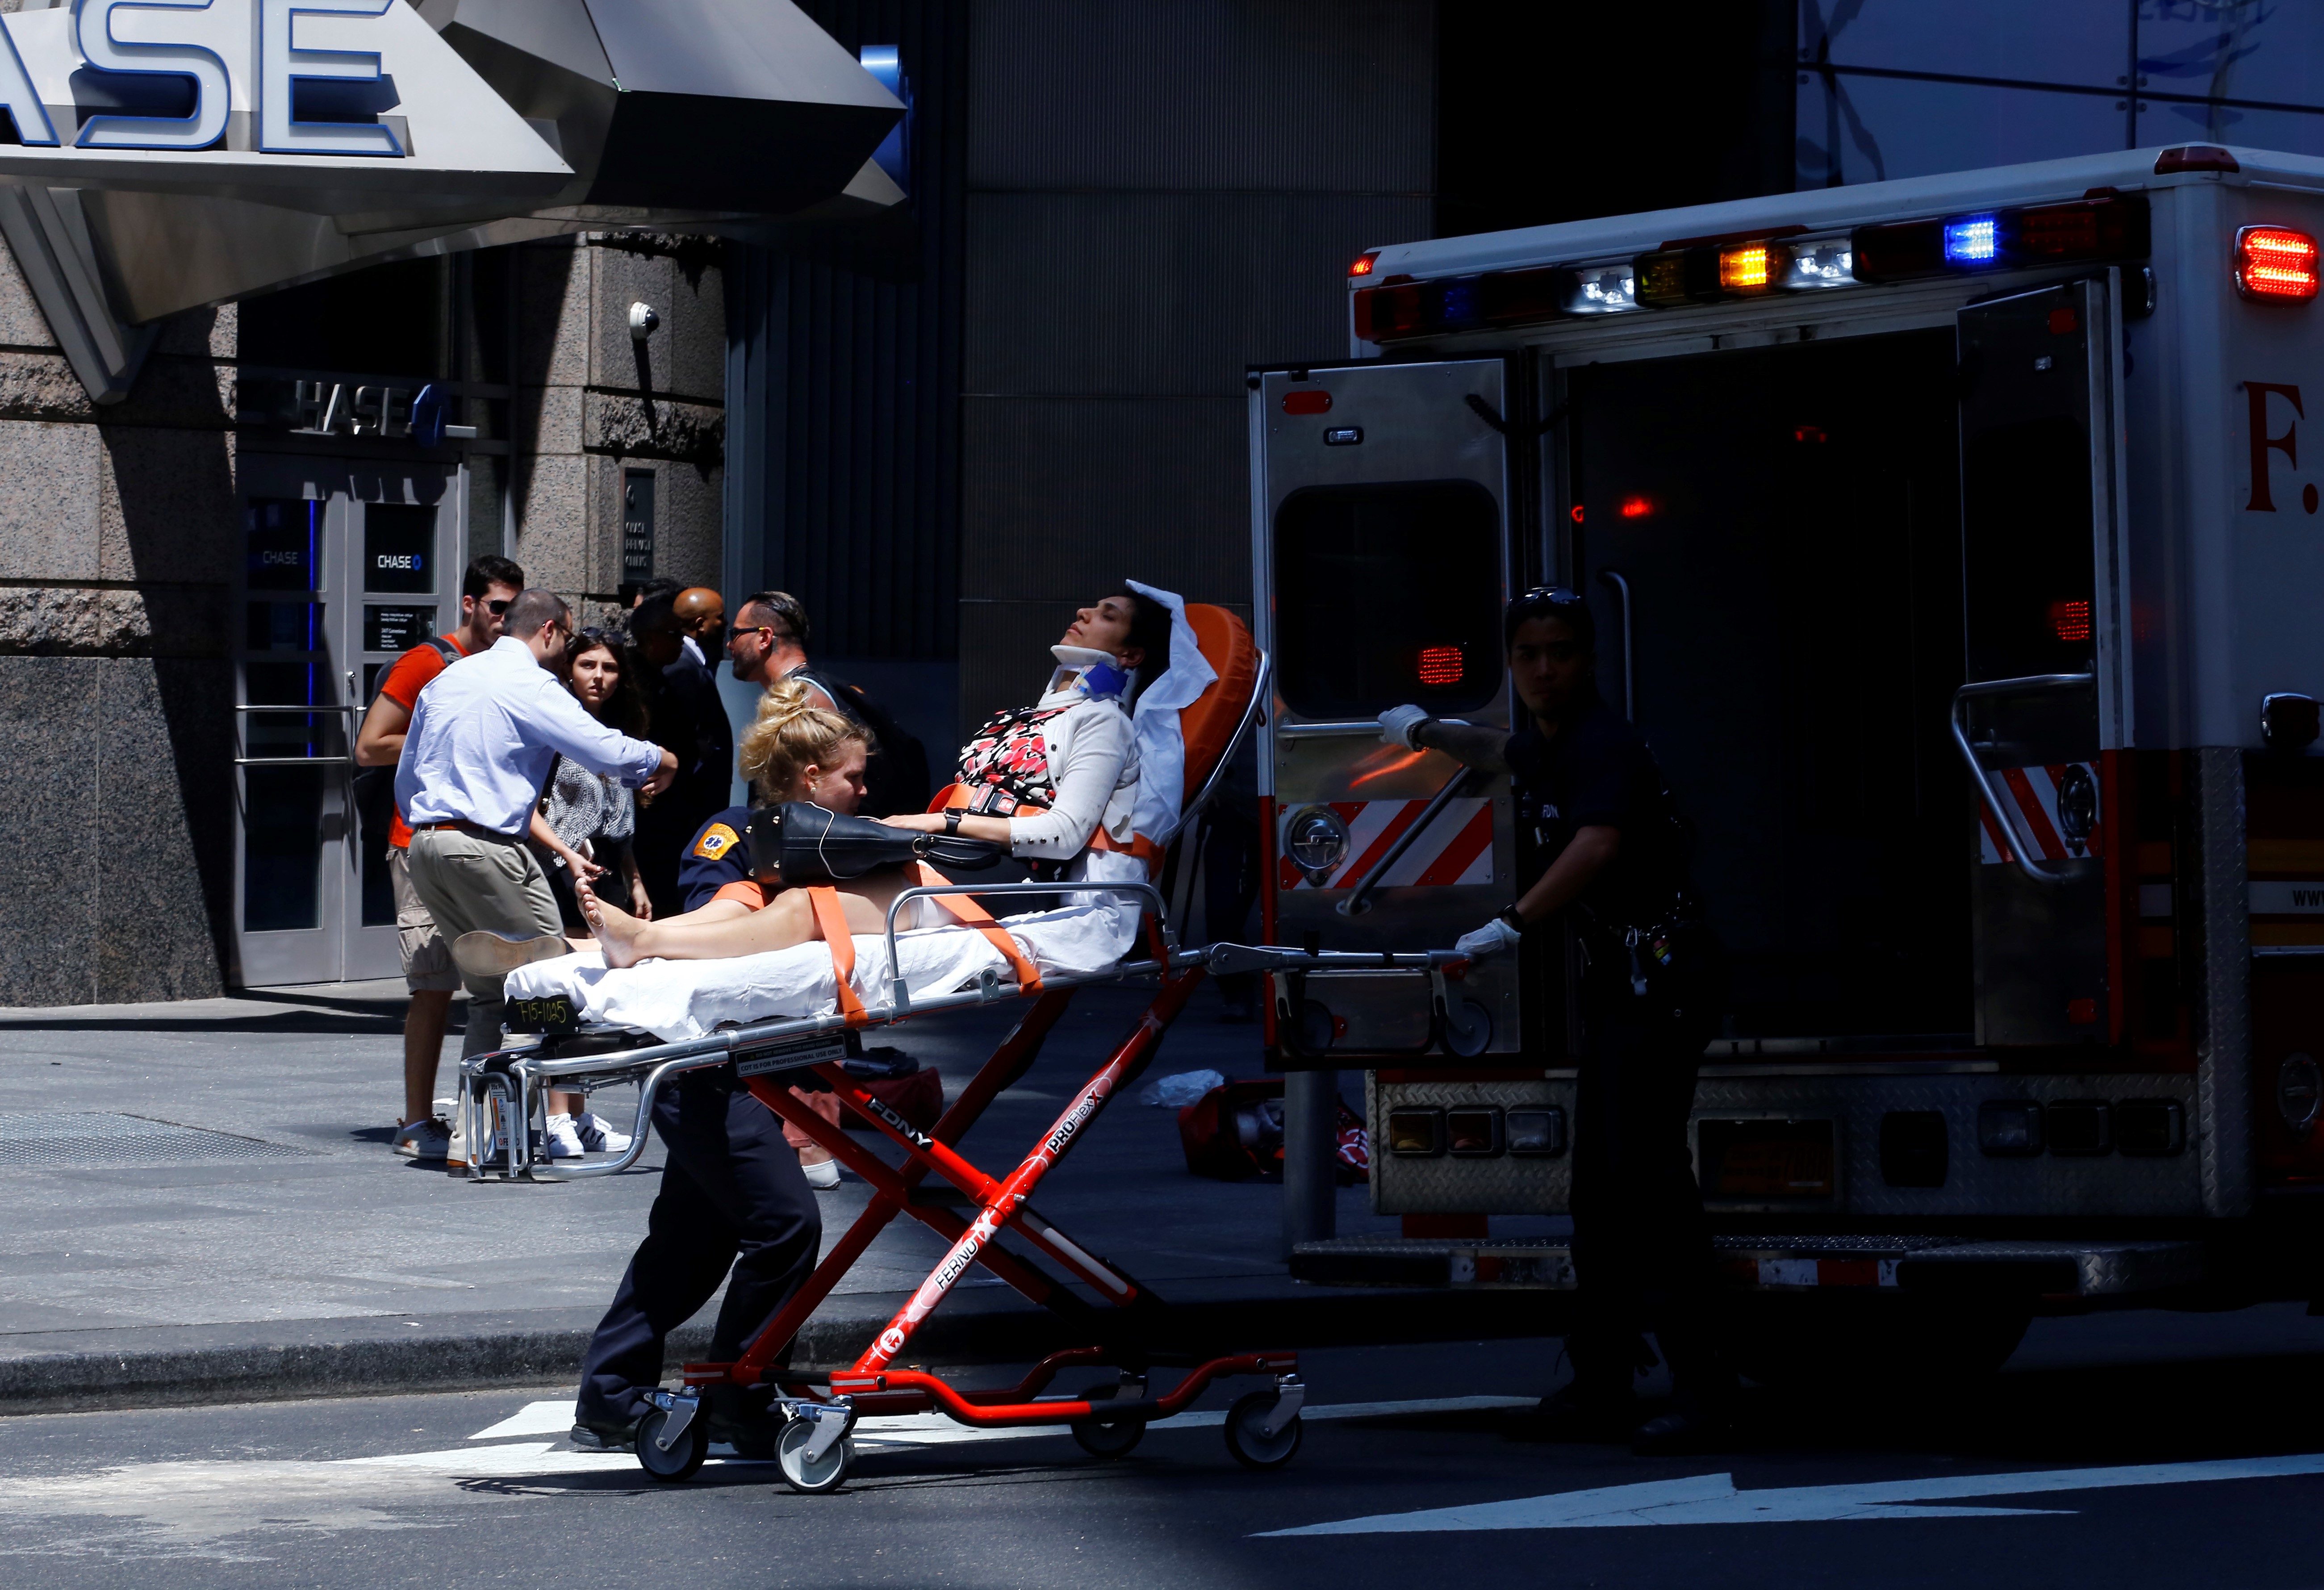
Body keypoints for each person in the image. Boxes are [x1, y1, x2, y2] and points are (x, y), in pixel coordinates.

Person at [1376, 586, 1732, 1455]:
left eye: (1561, 651)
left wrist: (1508, 926)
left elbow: (1597, 845)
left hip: (1663, 982)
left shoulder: (1603, 745)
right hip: (1621, 984)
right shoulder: (1550, 742)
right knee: (1598, 1195)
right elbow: (1495, 751)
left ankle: (1707, 1390)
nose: (1544, 667)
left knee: (1650, 1186)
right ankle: (1604, 1383)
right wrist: (1422, 730)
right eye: (1528, 653)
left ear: (1590, 659)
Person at [565, 680, 877, 1451]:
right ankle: (740, 1391)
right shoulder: (736, 835)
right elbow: (727, 923)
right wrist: (648, 933)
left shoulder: (851, 845)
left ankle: (610, 1396)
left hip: (755, 1067)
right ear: (810, 779)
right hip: (711, 1071)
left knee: (689, 1243)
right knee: (782, 1225)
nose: (864, 790)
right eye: (852, 777)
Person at [581, 589, 1170, 968]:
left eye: (1107, 615)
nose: (1083, 613)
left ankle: (645, 943)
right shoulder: (1049, 715)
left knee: (803, 909)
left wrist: (939, 820)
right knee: (748, 893)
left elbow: (1065, 835)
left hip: (994, 892)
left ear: (1133, 655)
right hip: (939, 864)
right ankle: (615, 942)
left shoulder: (1104, 725)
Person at [396, 590, 676, 1062]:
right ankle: (542, 1120)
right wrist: (662, 758)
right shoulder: (532, 683)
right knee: (544, 984)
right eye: (567, 639)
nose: (565, 652)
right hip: (486, 848)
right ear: (549, 630)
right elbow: (603, 749)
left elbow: (409, 774)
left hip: (427, 848)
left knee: (493, 992)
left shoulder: (451, 677)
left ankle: (480, 1133)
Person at [354, 552, 524, 1161]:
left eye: (516, 609)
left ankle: (486, 1112)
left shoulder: (507, 666)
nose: (507, 620)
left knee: (498, 985)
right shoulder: (428, 662)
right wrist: (450, 736)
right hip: (419, 841)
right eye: (498, 607)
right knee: (432, 987)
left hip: (486, 844)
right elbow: (370, 746)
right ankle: (416, 1118)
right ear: (471, 604)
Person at [522, 624, 651, 1160]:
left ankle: (578, 1110)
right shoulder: (550, 728)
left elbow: (618, 825)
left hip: (607, 871)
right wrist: (565, 854)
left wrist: (637, 878)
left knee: (592, 997)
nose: (599, 677)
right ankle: (556, 1116)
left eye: (610, 668)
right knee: (561, 991)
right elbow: (522, 804)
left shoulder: (615, 733)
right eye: (587, 665)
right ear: (567, 669)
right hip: (560, 867)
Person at [724, 588, 928, 817]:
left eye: (735, 634)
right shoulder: (822, 688)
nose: (730, 645)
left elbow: (823, 793)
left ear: (764, 638)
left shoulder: (803, 698)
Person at [629, 590, 736, 918]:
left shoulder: (667, 671)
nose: (681, 640)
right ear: (650, 639)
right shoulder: (673, 673)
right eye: (673, 634)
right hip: (666, 808)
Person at [673, 586, 725, 669]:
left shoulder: (693, 657)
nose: (726, 622)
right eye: (720, 617)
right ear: (701, 625)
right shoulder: (682, 664)